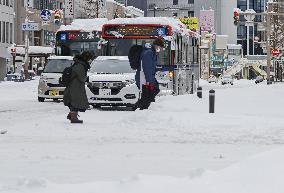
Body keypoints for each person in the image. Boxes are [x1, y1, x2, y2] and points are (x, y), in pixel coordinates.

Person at [63, 51, 93, 123]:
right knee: (75, 101)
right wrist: (86, 78)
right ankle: (74, 118)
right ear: (86, 58)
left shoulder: (79, 63)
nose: (90, 60)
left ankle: (71, 115)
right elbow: (82, 77)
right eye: (89, 58)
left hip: (75, 85)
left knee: (74, 100)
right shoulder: (80, 65)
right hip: (75, 86)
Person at [134, 38, 165, 110]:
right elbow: (147, 67)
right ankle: (141, 108)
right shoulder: (148, 53)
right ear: (157, 45)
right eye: (160, 47)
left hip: (146, 77)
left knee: (151, 92)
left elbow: (151, 67)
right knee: (149, 93)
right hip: (143, 78)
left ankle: (143, 107)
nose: (160, 49)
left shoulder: (151, 52)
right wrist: (149, 81)